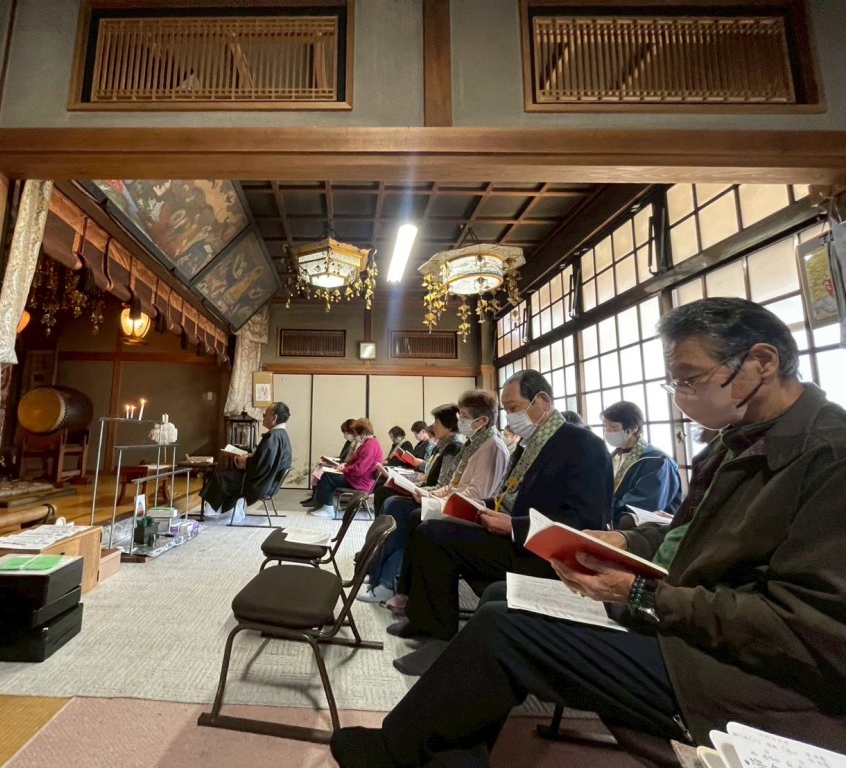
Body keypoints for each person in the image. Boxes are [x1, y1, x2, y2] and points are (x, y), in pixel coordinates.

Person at [330, 298, 846, 767]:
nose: (681, 398)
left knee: (505, 629)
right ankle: (443, 755)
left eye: (689, 380)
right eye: (674, 385)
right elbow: (683, 540)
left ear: (761, 362)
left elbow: (809, 629)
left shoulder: (829, 455)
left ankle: (396, 753)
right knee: (499, 600)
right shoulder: (737, 442)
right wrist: (621, 543)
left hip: (725, 671)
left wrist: (641, 593)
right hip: (677, 618)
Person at [386, 371, 612, 676]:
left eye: (514, 408)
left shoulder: (583, 445)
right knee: (429, 528)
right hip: (516, 536)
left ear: (542, 401)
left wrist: (514, 526)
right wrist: (482, 508)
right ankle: (424, 620)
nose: (510, 417)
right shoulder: (531, 444)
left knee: (435, 536)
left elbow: (584, 523)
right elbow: (511, 497)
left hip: (543, 554)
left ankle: (440, 639)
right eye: (507, 410)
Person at [373, 391, 511, 630]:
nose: (460, 421)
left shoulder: (492, 447)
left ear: (482, 421)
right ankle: (397, 584)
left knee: (418, 520)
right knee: (401, 505)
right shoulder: (474, 444)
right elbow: (454, 484)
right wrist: (430, 495)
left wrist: (434, 500)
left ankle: (403, 591)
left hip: (473, 513)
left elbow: (476, 495)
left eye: (464, 416)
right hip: (456, 502)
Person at [360, 404, 467, 603]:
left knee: (395, 507)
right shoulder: (445, 445)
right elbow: (434, 476)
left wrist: (422, 491)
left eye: (436, 422)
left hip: (438, 501)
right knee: (389, 500)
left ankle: (386, 582)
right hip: (431, 493)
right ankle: (376, 571)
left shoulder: (455, 447)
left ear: (448, 424)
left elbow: (445, 484)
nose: (433, 426)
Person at [201, 402, 291, 523]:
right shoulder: (281, 435)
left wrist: (244, 460)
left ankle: (220, 513)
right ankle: (227, 511)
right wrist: (251, 457)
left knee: (220, 477)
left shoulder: (272, 437)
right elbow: (265, 461)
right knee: (227, 476)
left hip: (260, 484)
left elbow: (261, 466)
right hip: (270, 483)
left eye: (265, 414)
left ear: (274, 417)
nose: (263, 416)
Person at [602, 400, 683, 527]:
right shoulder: (613, 457)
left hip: (645, 532)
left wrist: (602, 509)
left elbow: (643, 505)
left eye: (613, 427)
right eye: (605, 426)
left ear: (634, 428)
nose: (607, 431)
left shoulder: (657, 461)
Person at [309, 418, 382, 518]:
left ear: (364, 434)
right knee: (327, 475)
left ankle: (328, 509)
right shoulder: (370, 443)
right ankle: (326, 506)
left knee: (326, 477)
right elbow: (356, 462)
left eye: (356, 434)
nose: (356, 437)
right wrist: (345, 466)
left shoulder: (370, 446)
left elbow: (359, 469)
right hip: (359, 479)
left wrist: (343, 469)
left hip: (359, 482)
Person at [301, 419, 356, 506]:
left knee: (322, 471)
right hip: (341, 464)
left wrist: (336, 462)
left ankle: (317, 499)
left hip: (344, 467)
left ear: (353, 433)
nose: (345, 436)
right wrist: (331, 460)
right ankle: (314, 496)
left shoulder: (356, 444)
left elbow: (349, 460)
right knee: (319, 467)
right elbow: (342, 457)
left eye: (346, 433)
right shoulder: (348, 443)